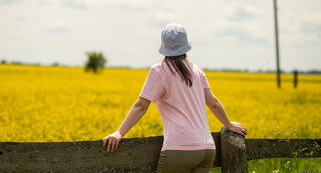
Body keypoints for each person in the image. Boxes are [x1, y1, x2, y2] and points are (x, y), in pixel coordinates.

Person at [103, 23, 247, 173]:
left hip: (180, 147)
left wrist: (119, 133)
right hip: (207, 149)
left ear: (164, 46)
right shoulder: (196, 70)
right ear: (185, 45)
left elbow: (141, 106)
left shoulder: (159, 71)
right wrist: (229, 124)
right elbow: (214, 104)